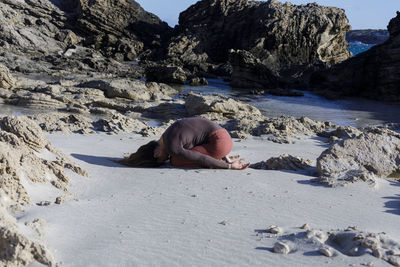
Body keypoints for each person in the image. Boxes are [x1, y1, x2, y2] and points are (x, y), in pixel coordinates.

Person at [121, 117, 250, 170]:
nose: (166, 158)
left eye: (162, 160)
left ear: (156, 153)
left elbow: (201, 158)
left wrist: (228, 166)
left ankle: (221, 158)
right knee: (185, 154)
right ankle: (222, 156)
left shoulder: (172, 148)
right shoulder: (166, 134)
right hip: (224, 135)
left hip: (220, 143)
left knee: (176, 161)